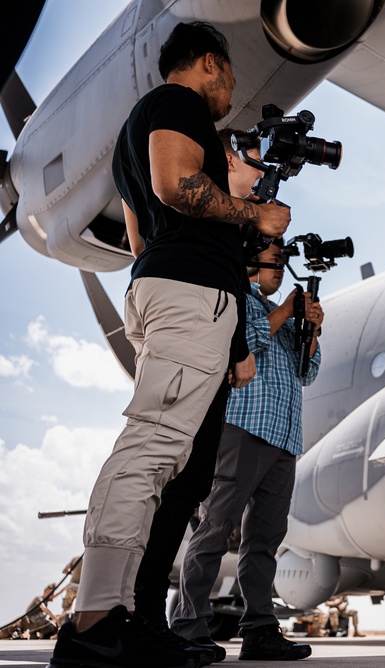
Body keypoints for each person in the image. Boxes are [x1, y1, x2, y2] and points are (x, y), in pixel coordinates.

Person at [48, 21, 290, 668]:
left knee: (182, 473)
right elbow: (176, 186)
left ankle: (140, 621)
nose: (228, 92)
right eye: (230, 78)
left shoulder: (139, 133)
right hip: (186, 298)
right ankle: (96, 623)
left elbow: (139, 239)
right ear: (209, 64)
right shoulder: (175, 104)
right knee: (153, 449)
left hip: (175, 290)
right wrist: (253, 216)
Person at [126, 128, 268, 666]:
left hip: (195, 323)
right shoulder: (207, 213)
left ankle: (144, 617)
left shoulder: (219, 222)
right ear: (225, 159)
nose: (261, 175)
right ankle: (134, 615)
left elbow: (224, 280)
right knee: (163, 471)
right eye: (253, 162)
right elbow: (222, 284)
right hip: (188, 321)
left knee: (188, 481)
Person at [170, 237, 322, 662]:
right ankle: (188, 625)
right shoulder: (237, 297)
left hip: (285, 437)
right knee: (216, 526)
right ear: (251, 262)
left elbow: (307, 371)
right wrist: (286, 312)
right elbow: (245, 341)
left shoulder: (285, 316)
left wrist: (310, 329)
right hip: (244, 429)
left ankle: (259, 630)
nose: (281, 268)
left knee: (265, 541)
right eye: (275, 261)